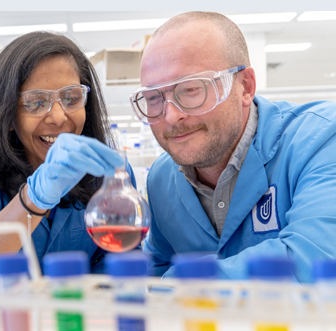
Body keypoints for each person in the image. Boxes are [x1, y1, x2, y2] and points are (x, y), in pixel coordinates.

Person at [135, 12, 336, 281]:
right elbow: (156, 265)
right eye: (152, 97)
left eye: (192, 89)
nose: (171, 116)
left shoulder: (320, 140)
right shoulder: (161, 178)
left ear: (245, 87)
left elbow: (314, 257)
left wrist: (182, 285)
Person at [0, 31, 137, 301]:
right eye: (36, 102)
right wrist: (33, 200)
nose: (58, 117)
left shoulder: (107, 172)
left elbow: (122, 266)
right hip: (6, 326)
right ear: (8, 114)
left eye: (71, 97)